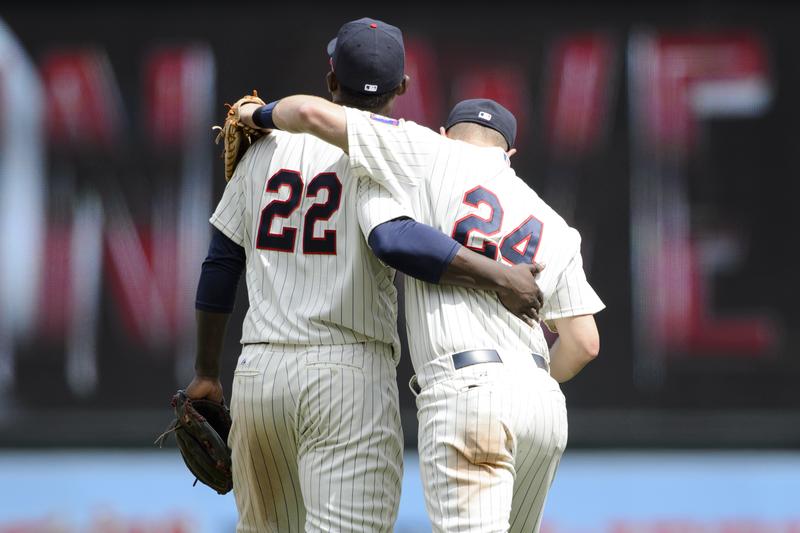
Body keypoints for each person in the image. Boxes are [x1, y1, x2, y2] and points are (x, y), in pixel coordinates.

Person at [186, 18, 543, 533]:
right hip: (346, 377)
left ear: (332, 80)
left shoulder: (263, 146)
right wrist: (502, 277)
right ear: (402, 87)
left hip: (259, 377)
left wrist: (205, 373)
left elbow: (220, 264)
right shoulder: (404, 152)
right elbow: (395, 239)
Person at [235, 94, 605, 532]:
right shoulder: (556, 225)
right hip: (541, 404)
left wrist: (253, 115)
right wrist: (524, 381)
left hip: (468, 392)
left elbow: (311, 114)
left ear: (446, 133)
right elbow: (584, 343)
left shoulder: (426, 152)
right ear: (510, 154)